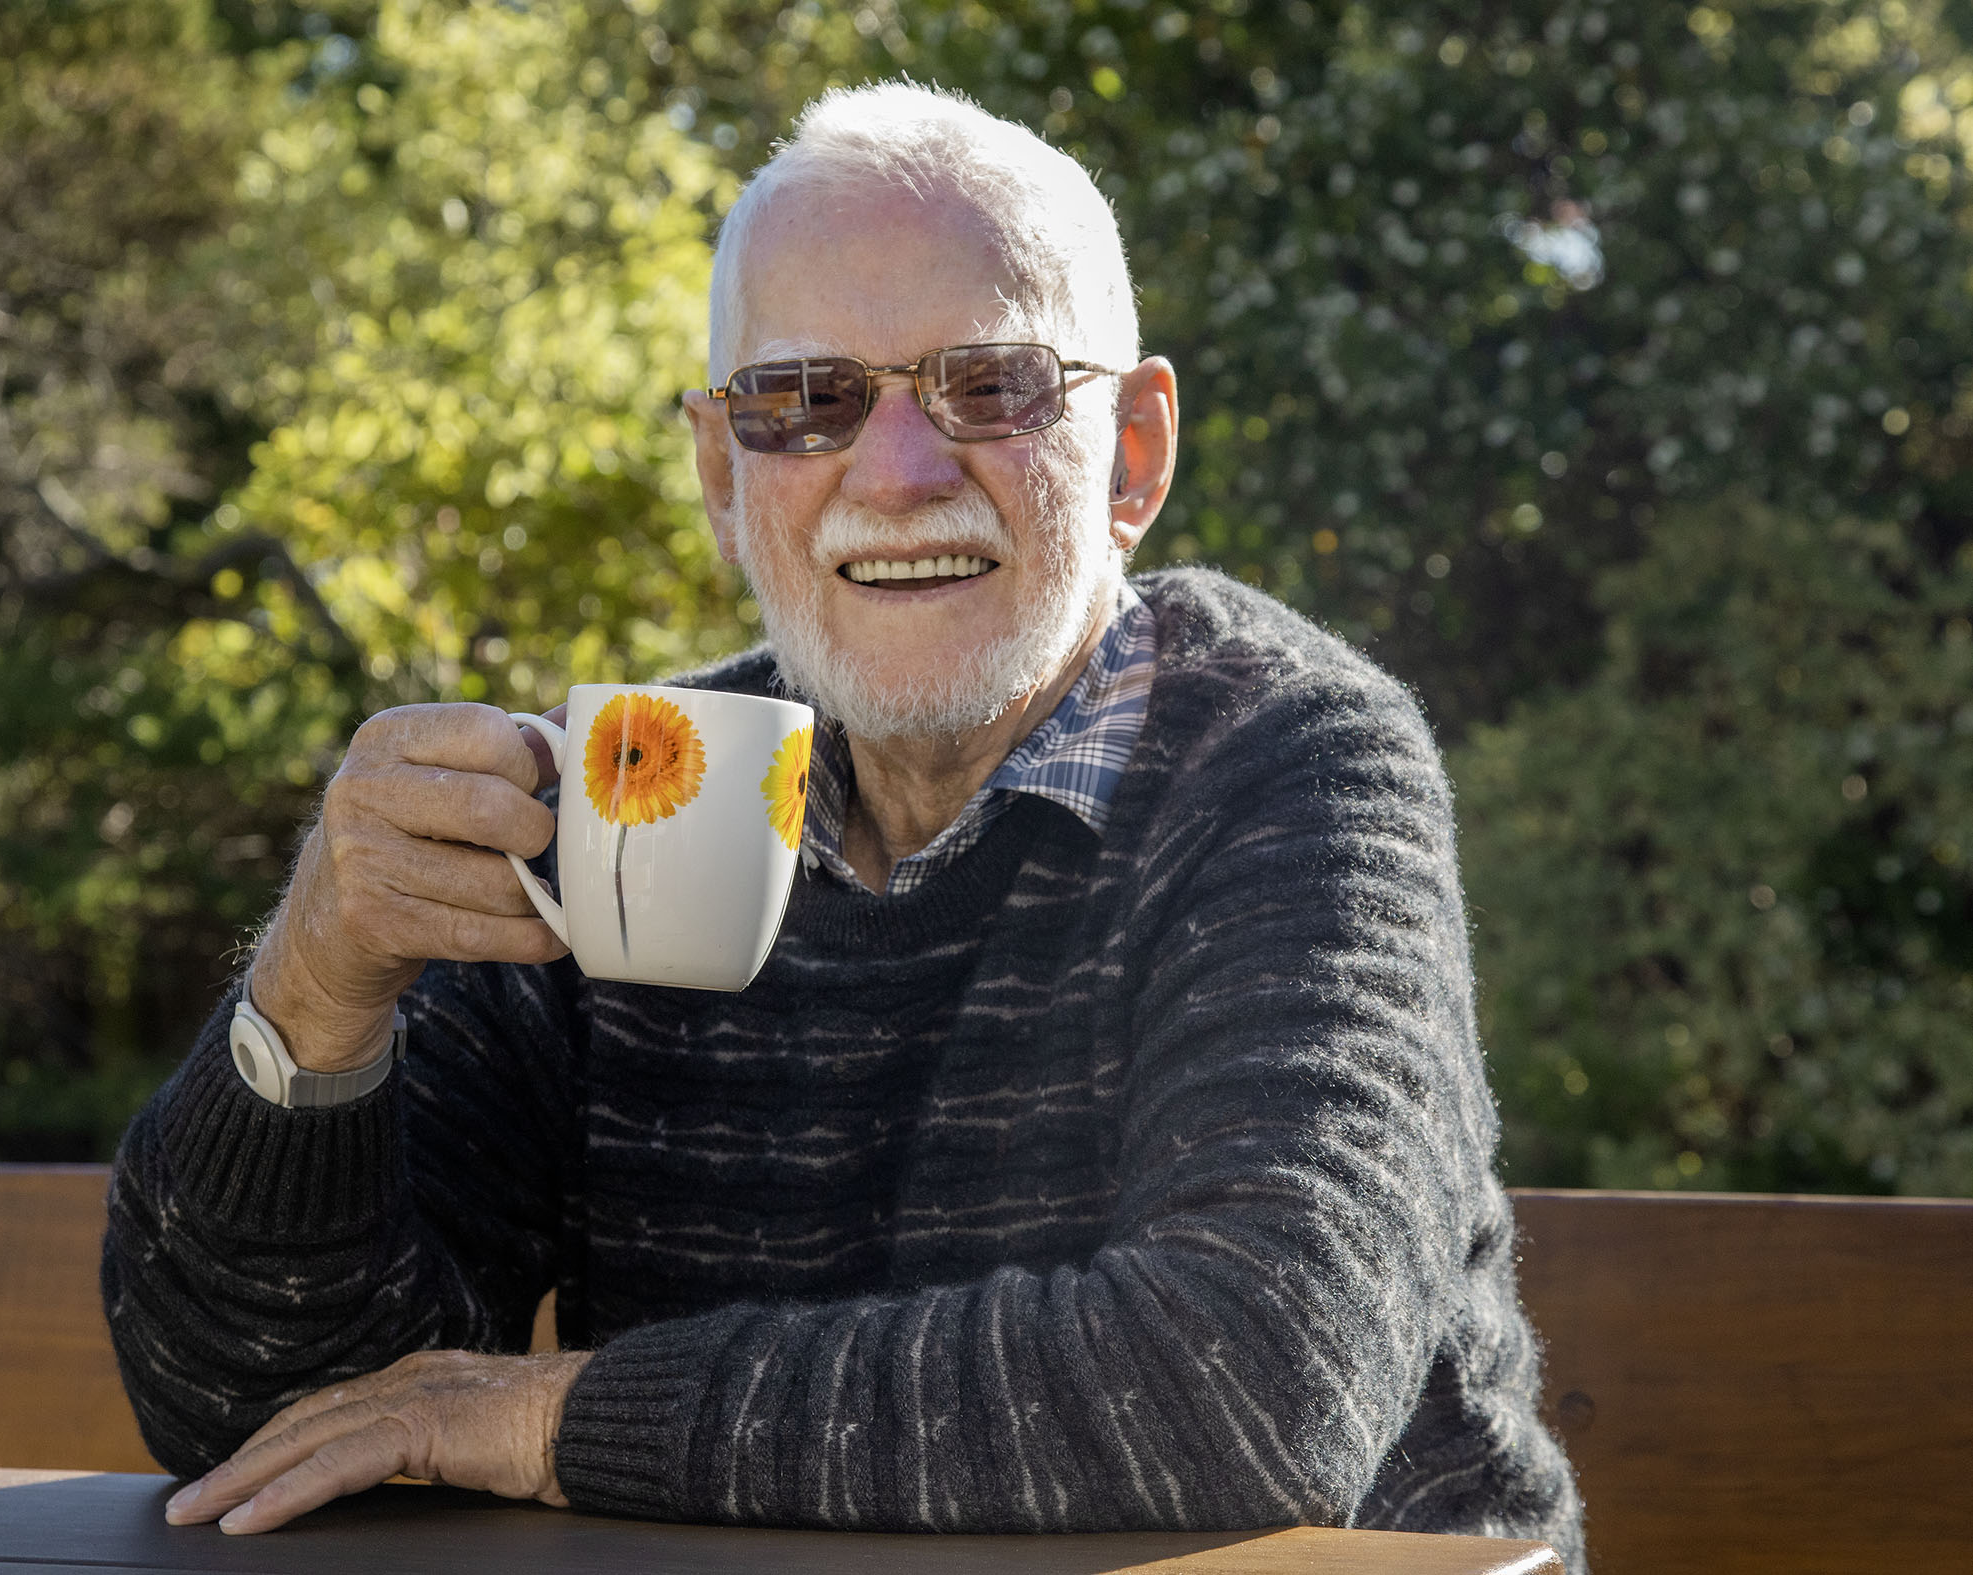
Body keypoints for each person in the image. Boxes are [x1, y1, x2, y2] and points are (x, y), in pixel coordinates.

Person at [100, 82, 1587, 1568]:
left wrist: (555, 1422)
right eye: (800, 401)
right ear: (718, 476)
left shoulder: (1291, 756)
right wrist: (313, 993)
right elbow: (268, 1419)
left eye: (990, 388)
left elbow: (1252, 1382)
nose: (893, 473)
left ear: (1133, 454)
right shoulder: (634, 788)